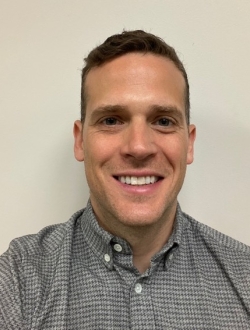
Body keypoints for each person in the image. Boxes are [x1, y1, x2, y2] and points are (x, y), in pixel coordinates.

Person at [0, 30, 249, 330]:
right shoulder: (18, 279)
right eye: (111, 120)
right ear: (80, 142)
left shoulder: (244, 275)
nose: (139, 147)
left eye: (163, 121)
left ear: (190, 144)